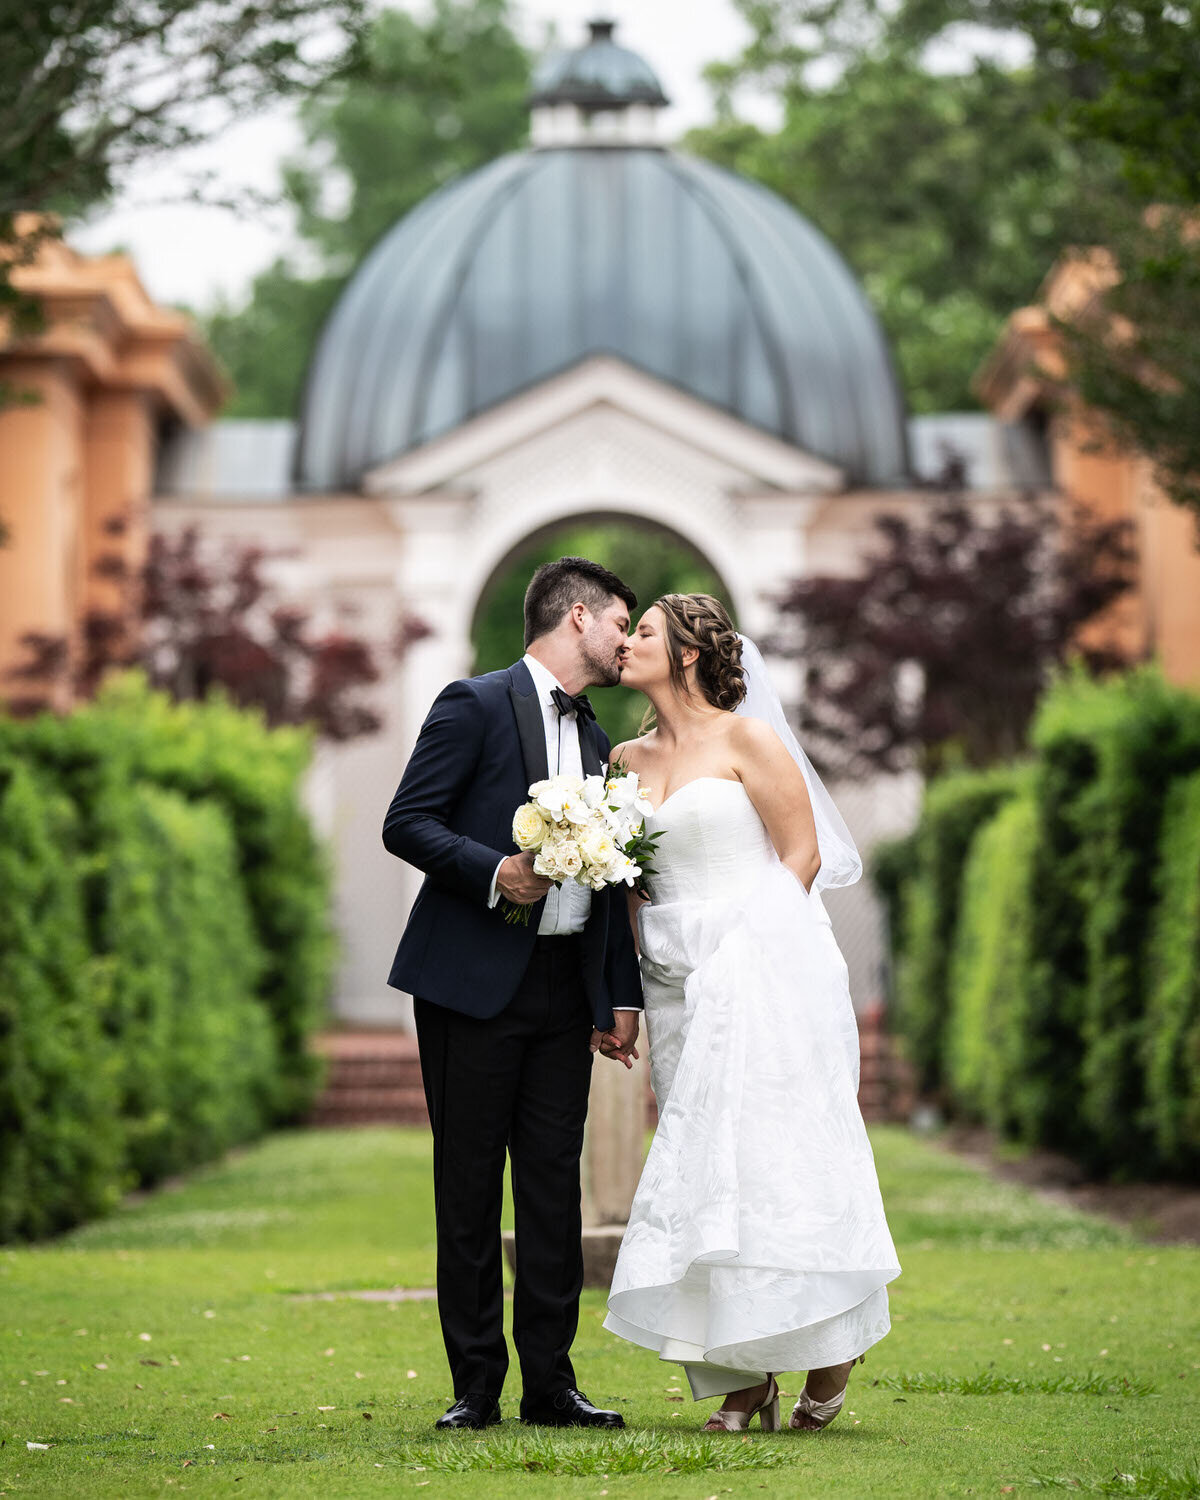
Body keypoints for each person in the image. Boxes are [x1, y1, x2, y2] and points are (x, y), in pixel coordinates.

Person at [596, 593, 901, 1434]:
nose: (627, 644)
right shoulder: (622, 759)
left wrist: (746, 954)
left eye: (645, 633)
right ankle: (743, 1374)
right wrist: (625, 991)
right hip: (672, 977)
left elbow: (800, 853)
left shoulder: (749, 739)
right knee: (703, 1168)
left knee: (776, 1156)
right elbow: (624, 885)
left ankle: (828, 1346)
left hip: (760, 966)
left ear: (689, 653)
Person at [382, 557, 644, 1432]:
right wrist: (496, 870)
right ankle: (475, 1388)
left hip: (565, 991)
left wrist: (616, 999)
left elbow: (610, 886)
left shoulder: (604, 743)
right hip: (469, 984)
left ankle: (551, 1384)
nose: (623, 642)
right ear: (576, 617)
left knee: (550, 1192)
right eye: (619, 624)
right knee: (466, 1188)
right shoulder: (474, 703)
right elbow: (408, 822)